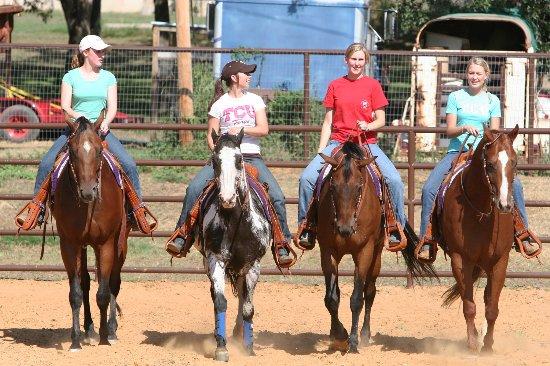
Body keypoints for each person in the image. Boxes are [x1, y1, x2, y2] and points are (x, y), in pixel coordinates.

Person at [16, 35, 151, 232]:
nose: (102, 55)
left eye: (103, 51)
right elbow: (65, 106)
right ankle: (37, 210)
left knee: (129, 164)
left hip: (100, 132)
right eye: (98, 51)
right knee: (46, 163)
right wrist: (78, 116)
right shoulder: (70, 77)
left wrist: (106, 121)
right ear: (86, 52)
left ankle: (136, 212)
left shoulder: (108, 77)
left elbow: (112, 107)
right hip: (75, 130)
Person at [166, 60, 293, 266]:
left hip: (250, 156)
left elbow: (263, 129)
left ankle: (281, 243)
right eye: (246, 73)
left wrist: (241, 128)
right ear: (234, 77)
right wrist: (220, 154)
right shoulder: (219, 105)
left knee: (277, 195)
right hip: (224, 158)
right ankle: (182, 235)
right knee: (194, 188)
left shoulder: (255, 100)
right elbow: (210, 136)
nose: (249, 77)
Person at [418, 56, 539, 260]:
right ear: (467, 74)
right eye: (471, 73)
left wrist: (486, 138)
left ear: (486, 76)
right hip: (458, 152)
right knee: (429, 188)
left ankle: (522, 232)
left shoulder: (493, 100)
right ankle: (427, 238)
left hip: (485, 155)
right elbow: (449, 130)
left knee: (515, 186)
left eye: (478, 74)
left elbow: (494, 132)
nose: (474, 77)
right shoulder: (456, 97)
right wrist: (463, 128)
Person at [297, 42, 407, 247]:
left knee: (394, 180)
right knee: (307, 178)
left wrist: (368, 125)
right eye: (353, 59)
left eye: (360, 60)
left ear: (365, 62)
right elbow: (328, 121)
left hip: (366, 143)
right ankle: (306, 226)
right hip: (338, 142)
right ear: (346, 60)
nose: (356, 63)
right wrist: (321, 149)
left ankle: (396, 227)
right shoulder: (335, 85)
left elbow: (381, 119)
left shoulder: (373, 85)